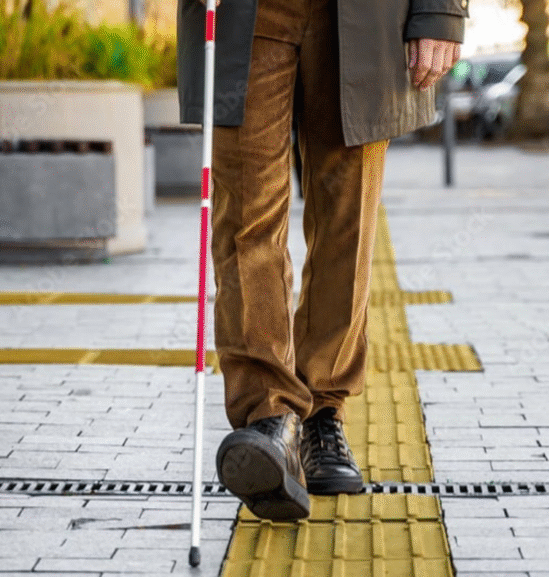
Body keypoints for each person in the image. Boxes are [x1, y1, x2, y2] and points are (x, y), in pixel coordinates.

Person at [177, 0, 466, 521]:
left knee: (347, 223)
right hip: (247, 15)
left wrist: (440, 13)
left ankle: (322, 412)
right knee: (246, 218)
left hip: (366, 18)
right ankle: (268, 418)